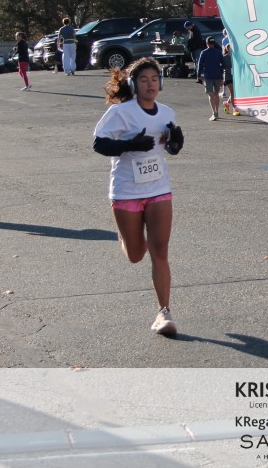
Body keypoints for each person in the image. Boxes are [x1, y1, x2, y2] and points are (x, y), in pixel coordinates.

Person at [92, 57, 184, 336]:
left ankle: (164, 312)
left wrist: (176, 144)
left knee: (160, 251)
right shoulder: (121, 112)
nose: (150, 84)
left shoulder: (167, 112)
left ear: (161, 83)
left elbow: (169, 147)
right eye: (143, 80)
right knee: (136, 254)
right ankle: (126, 237)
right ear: (134, 84)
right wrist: (128, 144)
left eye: (154, 79)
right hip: (126, 191)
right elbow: (99, 143)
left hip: (158, 189)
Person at [197, 36, 225, 121]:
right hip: (217, 75)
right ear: (214, 43)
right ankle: (217, 111)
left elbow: (200, 64)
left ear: (207, 43)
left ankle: (214, 112)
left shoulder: (204, 52)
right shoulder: (218, 52)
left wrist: (198, 75)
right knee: (216, 94)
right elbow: (223, 64)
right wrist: (221, 76)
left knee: (211, 94)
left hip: (208, 76)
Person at [221, 43, 239, 116]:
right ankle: (235, 108)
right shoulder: (224, 57)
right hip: (228, 76)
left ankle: (227, 103)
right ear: (227, 49)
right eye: (229, 48)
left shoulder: (236, 57)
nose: (231, 49)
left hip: (235, 77)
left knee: (234, 92)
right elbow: (221, 67)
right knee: (233, 91)